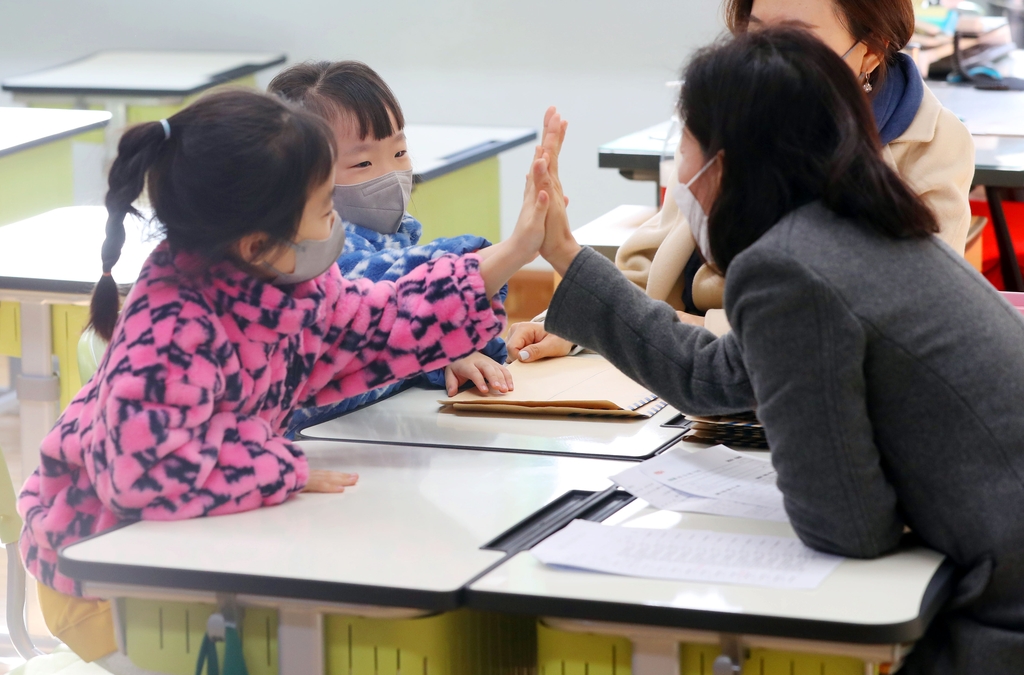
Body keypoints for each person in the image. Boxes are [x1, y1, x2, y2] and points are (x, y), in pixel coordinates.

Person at [534, 28, 1024, 675]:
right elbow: (710, 373)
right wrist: (566, 256)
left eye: (686, 141)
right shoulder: (851, 224)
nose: (681, 171)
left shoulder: (793, 267)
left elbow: (848, 526)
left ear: (729, 161)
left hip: (999, 615)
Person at [18, 89, 555, 669]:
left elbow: (385, 322)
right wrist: (282, 467)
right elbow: (144, 474)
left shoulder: (286, 280)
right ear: (257, 244)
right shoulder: (172, 327)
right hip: (99, 570)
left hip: (191, 545)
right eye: (325, 208)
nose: (336, 224)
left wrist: (517, 249)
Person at [512, 0, 975, 361]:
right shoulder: (735, 111)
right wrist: (576, 329)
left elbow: (875, 337)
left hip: (788, 386)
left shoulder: (931, 145)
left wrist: (673, 330)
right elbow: (649, 268)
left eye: (796, 39)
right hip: (681, 373)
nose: (768, 58)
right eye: (756, 34)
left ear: (870, 51)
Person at [267, 61, 513, 436]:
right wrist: (515, 249)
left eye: (399, 153)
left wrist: (447, 352)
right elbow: (394, 301)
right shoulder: (314, 253)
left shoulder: (395, 234)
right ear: (295, 174)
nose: (390, 174)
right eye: (363, 162)